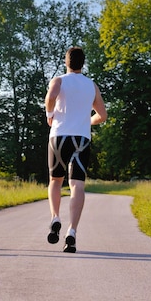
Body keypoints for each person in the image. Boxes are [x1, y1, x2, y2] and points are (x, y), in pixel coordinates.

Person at [44, 47, 107, 253]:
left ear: (66, 62)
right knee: (77, 184)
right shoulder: (91, 85)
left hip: (59, 136)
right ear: (83, 63)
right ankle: (72, 231)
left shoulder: (59, 80)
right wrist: (87, 121)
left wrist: (50, 113)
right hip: (81, 138)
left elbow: (51, 96)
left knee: (55, 180)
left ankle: (55, 217)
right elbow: (102, 115)